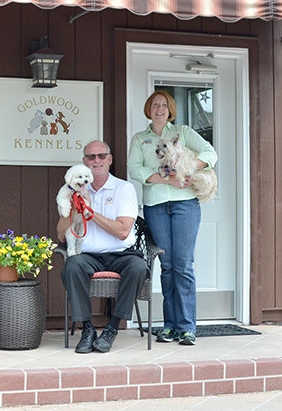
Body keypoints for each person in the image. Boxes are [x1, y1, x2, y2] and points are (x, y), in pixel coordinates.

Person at [127, 90, 217, 346]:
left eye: (164, 105)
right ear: (149, 109)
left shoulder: (183, 133)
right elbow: (135, 169)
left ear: (170, 110)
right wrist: (166, 179)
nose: (159, 109)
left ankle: (187, 327)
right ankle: (170, 326)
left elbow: (210, 153)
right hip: (156, 206)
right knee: (167, 266)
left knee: (183, 265)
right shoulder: (140, 139)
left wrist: (188, 169)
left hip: (185, 204)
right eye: (155, 105)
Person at [59, 140, 148, 353]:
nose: (96, 160)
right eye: (91, 157)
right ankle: (87, 329)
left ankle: (112, 328)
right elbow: (61, 234)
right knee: (72, 266)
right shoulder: (74, 188)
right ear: (84, 162)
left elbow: (123, 231)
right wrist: (74, 210)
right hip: (88, 255)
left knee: (138, 267)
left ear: (110, 159)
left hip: (121, 254)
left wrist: (90, 213)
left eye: (101, 156)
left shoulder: (124, 188)